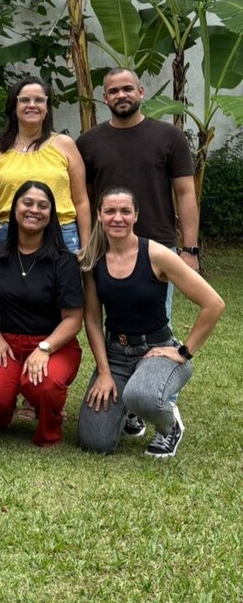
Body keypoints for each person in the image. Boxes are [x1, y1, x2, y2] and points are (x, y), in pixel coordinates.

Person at [76, 67, 201, 441]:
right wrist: (87, 245)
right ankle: (128, 402)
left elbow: (185, 193)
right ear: (104, 97)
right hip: (106, 249)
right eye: (113, 90)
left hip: (158, 248)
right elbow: (84, 200)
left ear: (141, 91)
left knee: (155, 324)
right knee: (117, 322)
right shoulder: (89, 142)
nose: (121, 95)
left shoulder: (169, 137)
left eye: (127, 88)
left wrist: (189, 249)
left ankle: (160, 405)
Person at [76, 188, 223, 458]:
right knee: (94, 441)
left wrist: (184, 352)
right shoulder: (94, 259)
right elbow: (93, 320)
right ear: (99, 215)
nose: (117, 217)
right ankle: (131, 410)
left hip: (155, 351)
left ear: (136, 215)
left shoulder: (156, 254)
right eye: (110, 211)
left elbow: (213, 303)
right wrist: (104, 372)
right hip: (115, 354)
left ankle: (169, 425)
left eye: (125, 211)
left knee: (142, 395)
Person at [0, 181, 83, 447]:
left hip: (53, 344)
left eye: (43, 206)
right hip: (6, 343)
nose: (34, 210)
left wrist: (45, 348)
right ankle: (7, 400)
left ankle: (49, 424)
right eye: (27, 203)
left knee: (44, 385)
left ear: (51, 214)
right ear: (15, 209)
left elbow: (73, 319)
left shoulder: (63, 260)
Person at [0, 77, 90, 251]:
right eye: (25, 100)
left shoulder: (65, 145)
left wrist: (86, 247)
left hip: (61, 235)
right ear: (14, 107)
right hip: (6, 236)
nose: (32, 105)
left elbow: (81, 201)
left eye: (39, 100)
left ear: (47, 108)